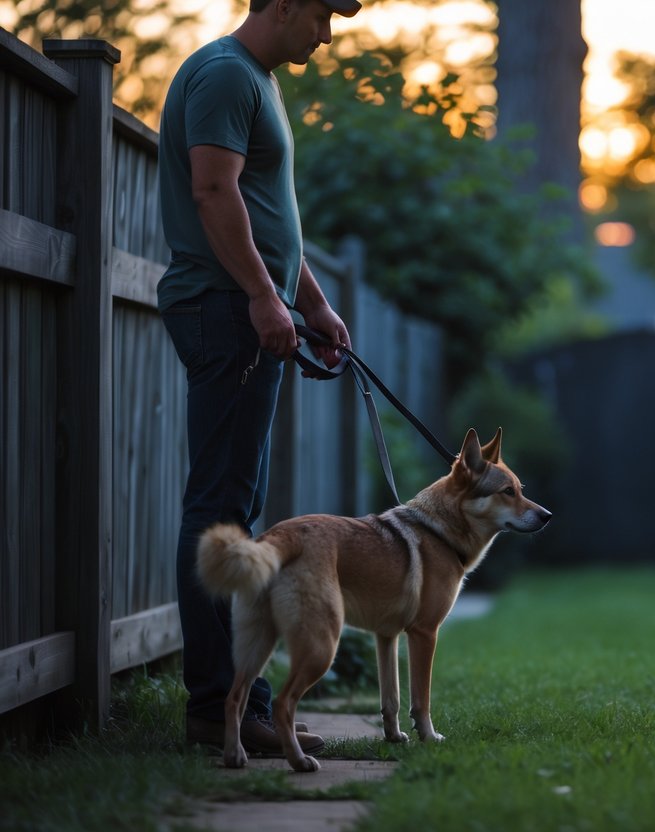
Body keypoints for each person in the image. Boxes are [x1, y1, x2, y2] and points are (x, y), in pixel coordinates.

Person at [157, 0, 363, 755]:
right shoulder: (222, 74)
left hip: (242, 306)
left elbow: (266, 214)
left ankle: (246, 705)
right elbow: (214, 194)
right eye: (321, 16)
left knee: (239, 513)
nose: (327, 34)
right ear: (281, 4)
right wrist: (259, 297)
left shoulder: (256, 80)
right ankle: (216, 708)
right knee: (218, 514)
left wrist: (310, 302)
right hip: (221, 310)